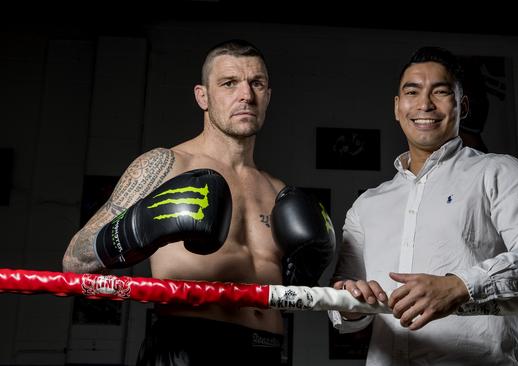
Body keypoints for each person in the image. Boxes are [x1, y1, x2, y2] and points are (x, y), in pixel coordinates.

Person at [62, 39, 335, 366]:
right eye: (229, 83)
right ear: (202, 96)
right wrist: (140, 227)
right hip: (186, 348)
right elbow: (74, 263)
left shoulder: (278, 190)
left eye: (257, 83)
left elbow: (288, 300)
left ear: (268, 96)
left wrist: (305, 273)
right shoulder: (163, 166)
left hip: (268, 350)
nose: (246, 95)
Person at [328, 46, 518, 365]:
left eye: (440, 92)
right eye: (412, 92)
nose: (425, 104)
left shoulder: (498, 172)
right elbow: (347, 311)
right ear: (398, 108)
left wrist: (462, 286)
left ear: (463, 106)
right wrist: (348, 302)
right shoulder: (366, 205)